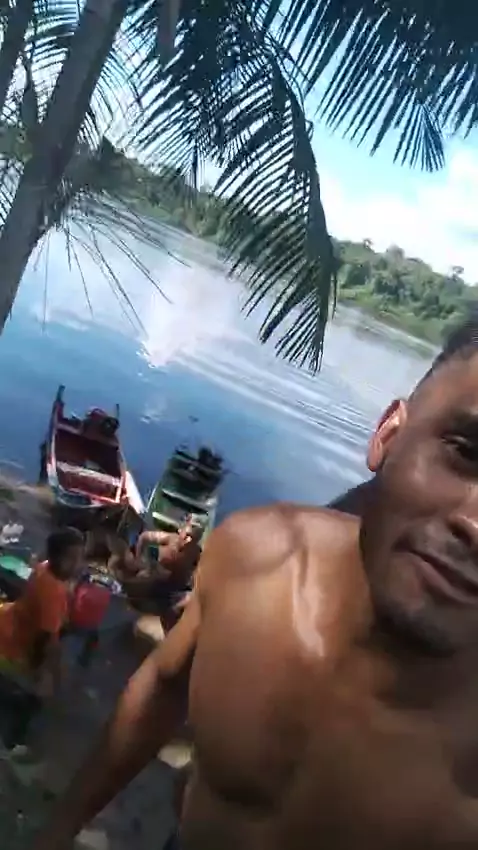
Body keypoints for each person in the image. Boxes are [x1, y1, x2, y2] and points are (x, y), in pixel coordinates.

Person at [34, 314, 478, 850]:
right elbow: (163, 685)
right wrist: (58, 829)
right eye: (466, 452)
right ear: (389, 434)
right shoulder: (254, 559)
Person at [0, 527, 84, 693]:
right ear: (55, 558)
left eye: (80, 557)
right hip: (12, 644)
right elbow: (43, 640)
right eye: (71, 558)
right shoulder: (53, 593)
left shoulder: (45, 567)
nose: (78, 564)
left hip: (9, 618)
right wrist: (37, 670)